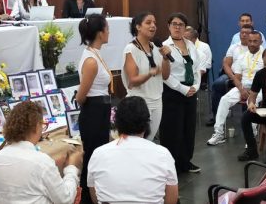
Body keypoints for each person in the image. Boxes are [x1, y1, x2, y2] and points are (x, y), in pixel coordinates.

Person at [87, 96, 178, 204]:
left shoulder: (98, 154)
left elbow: (95, 198)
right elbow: (171, 200)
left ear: (117, 123)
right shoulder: (163, 154)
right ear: (146, 123)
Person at [0, 101, 82, 204]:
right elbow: (65, 199)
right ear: (35, 126)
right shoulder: (41, 161)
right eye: (42, 124)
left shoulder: (0, 155)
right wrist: (71, 168)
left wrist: (52, 167)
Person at [75, 13, 111, 204]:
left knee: (98, 155)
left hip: (100, 110)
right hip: (93, 112)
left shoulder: (95, 53)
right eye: (107, 28)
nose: (108, 32)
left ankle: (97, 193)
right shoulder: (91, 60)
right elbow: (81, 96)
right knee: (93, 157)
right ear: (99, 32)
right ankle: (88, 197)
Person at [160, 12, 201, 174]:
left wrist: (196, 87)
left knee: (188, 127)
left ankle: (185, 161)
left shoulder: (191, 45)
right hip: (173, 91)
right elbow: (165, 75)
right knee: (172, 129)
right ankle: (171, 165)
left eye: (181, 25)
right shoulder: (164, 47)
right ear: (169, 26)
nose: (177, 27)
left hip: (191, 90)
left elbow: (197, 68)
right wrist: (182, 89)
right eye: (174, 24)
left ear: (185, 28)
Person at [207, 31, 264, 145]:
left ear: (261, 42)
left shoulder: (265, 56)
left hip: (259, 89)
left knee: (251, 104)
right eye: (250, 41)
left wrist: (252, 92)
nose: (252, 43)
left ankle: (251, 138)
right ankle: (219, 134)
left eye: (255, 41)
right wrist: (241, 89)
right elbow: (237, 77)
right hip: (243, 87)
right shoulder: (242, 57)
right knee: (224, 100)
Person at [121, 11, 171, 141]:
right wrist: (149, 74)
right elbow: (133, 80)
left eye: (154, 23)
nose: (153, 26)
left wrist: (165, 59)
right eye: (148, 23)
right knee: (138, 141)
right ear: (138, 27)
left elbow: (165, 76)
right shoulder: (130, 49)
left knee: (148, 140)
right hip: (140, 102)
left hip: (157, 99)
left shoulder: (155, 47)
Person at [206, 24, 254, 126]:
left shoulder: (256, 48)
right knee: (217, 84)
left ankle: (247, 119)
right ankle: (216, 117)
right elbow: (226, 64)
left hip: (249, 76)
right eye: (242, 33)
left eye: (247, 33)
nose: (244, 35)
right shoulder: (234, 47)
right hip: (231, 75)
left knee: (251, 86)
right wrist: (233, 77)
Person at [238, 48, 266, 161]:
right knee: (246, 117)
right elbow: (253, 95)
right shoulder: (260, 74)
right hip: (265, 110)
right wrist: (251, 103)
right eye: (265, 65)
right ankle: (251, 150)